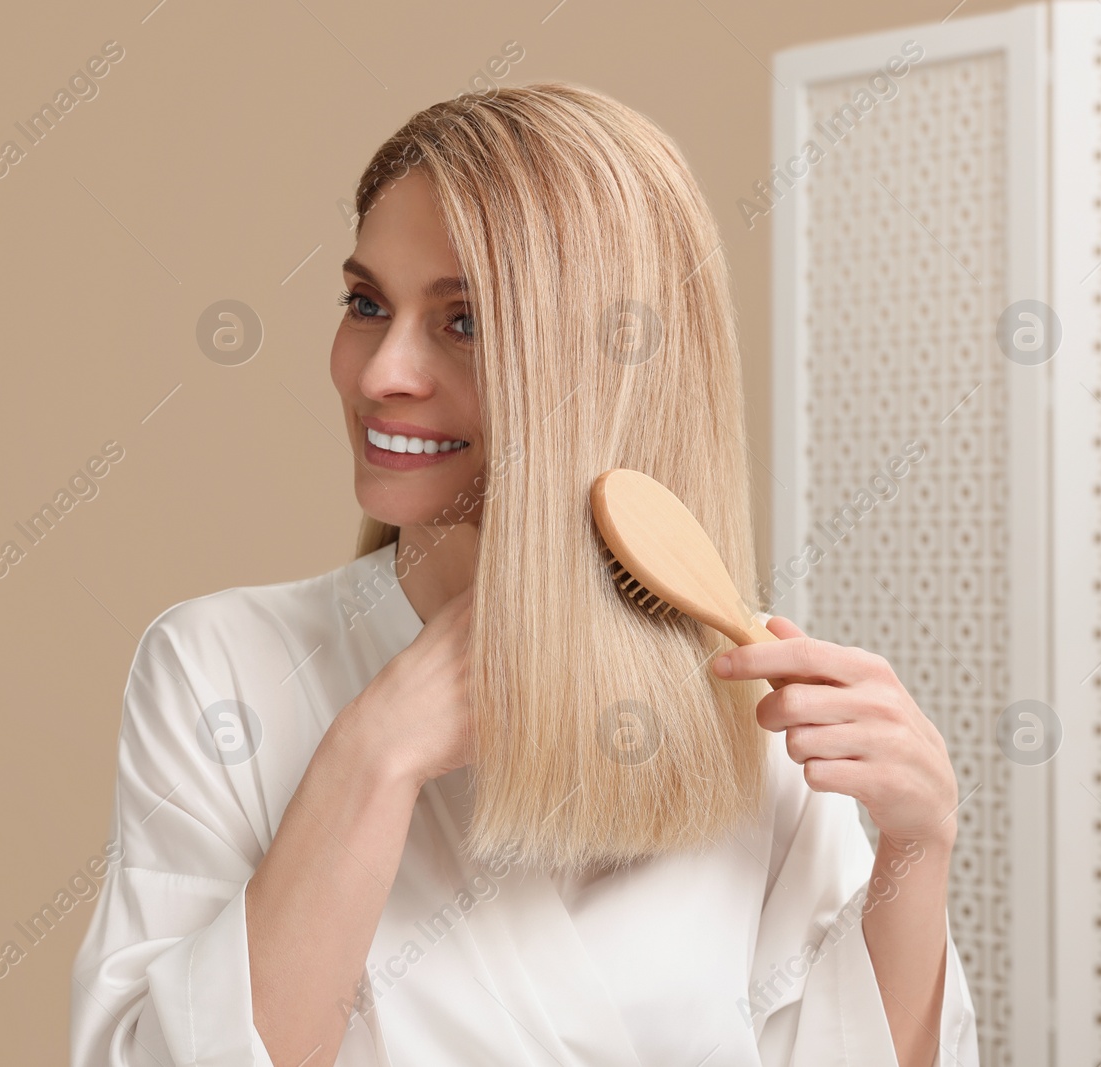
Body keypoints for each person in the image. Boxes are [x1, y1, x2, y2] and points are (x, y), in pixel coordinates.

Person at [70, 82, 977, 1067]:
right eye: (367, 304)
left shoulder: (748, 703)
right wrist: (372, 754)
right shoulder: (219, 667)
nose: (380, 374)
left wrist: (916, 845)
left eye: (463, 321)